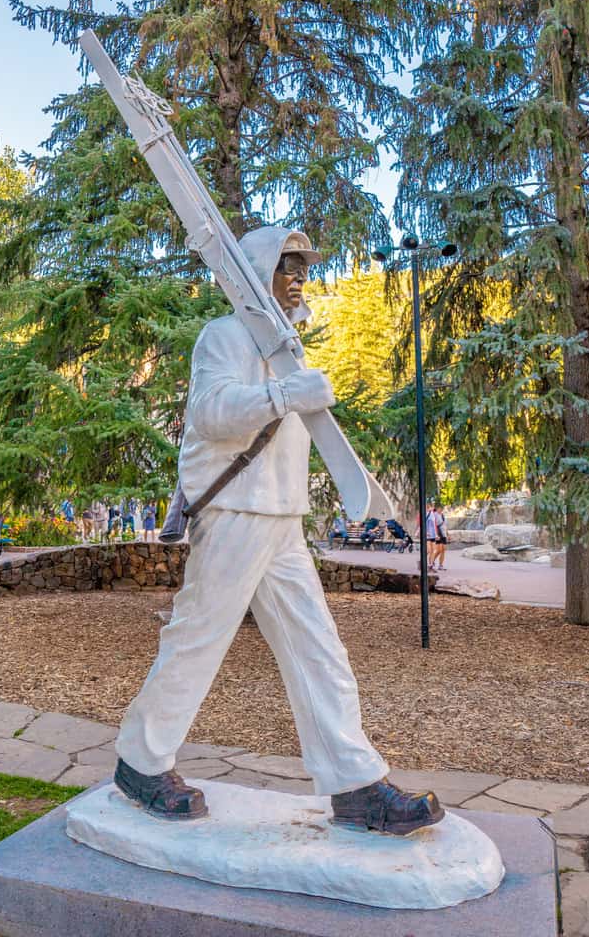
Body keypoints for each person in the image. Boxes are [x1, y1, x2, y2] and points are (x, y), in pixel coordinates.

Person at [113, 225, 444, 836]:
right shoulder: (226, 335)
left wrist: (290, 392)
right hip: (236, 512)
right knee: (198, 641)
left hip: (280, 520)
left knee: (319, 651)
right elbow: (212, 415)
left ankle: (354, 784)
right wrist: (286, 392)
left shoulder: (287, 345)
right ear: (258, 269)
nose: (300, 276)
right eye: (288, 264)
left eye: (305, 266)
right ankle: (140, 761)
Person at [433, 505, 448, 571]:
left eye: (442, 508)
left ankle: (440, 565)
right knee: (439, 550)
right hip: (438, 534)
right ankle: (431, 561)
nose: (441, 509)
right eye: (440, 508)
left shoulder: (442, 515)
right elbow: (434, 525)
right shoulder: (434, 515)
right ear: (437, 508)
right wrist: (435, 534)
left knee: (443, 550)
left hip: (443, 534)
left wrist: (448, 534)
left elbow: (444, 525)